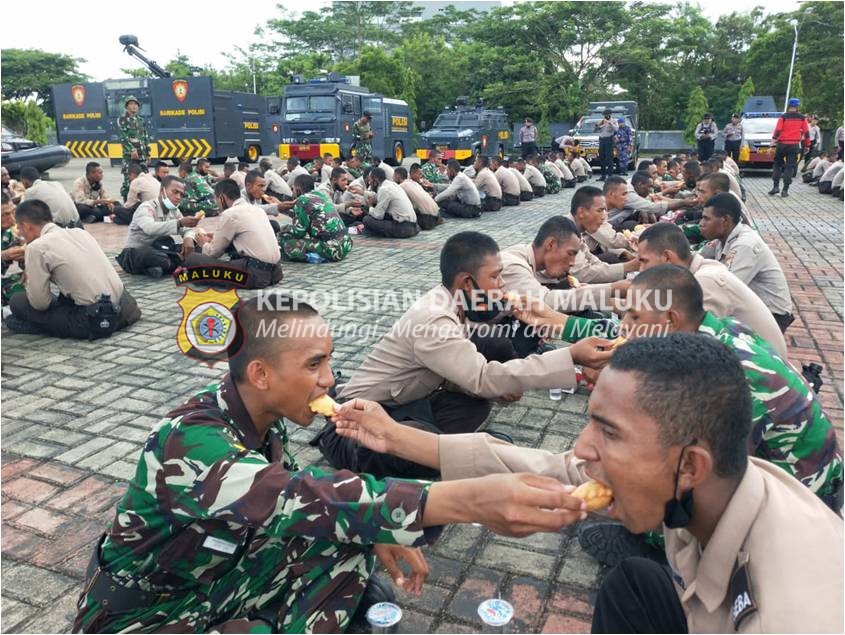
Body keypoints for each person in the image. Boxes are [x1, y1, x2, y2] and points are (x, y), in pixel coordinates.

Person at [73, 294, 588, 634]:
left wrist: (378, 531)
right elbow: (304, 496)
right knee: (343, 536)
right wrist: (470, 499)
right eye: (314, 364)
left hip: (209, 578)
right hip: (146, 615)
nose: (329, 380)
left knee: (349, 546)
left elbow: (310, 493)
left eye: (328, 361)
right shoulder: (191, 442)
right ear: (261, 373)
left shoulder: (254, 414)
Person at [330, 333, 844, 633]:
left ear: (691, 466)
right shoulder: (711, 483)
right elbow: (549, 466)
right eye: (591, 420)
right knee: (635, 582)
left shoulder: (790, 614)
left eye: (609, 432)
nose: (582, 447)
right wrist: (396, 437)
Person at [312, 231, 614, 479]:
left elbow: (475, 363)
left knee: (474, 403)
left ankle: (435, 448)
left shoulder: (457, 301)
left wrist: (532, 316)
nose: (502, 285)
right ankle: (440, 454)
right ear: (467, 283)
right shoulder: (433, 319)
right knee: (418, 440)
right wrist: (570, 356)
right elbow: (482, 377)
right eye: (496, 277)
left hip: (403, 406)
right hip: (354, 428)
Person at [637, 222, 789, 360]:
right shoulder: (698, 273)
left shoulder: (705, 282)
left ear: (667, 257)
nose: (640, 270)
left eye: (644, 261)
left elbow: (685, 345)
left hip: (760, 375)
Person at [4, 199, 141, 338]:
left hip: (94, 320)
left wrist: (30, 265)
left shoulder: (36, 248)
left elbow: (40, 304)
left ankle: (40, 325)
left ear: (26, 226)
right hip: (126, 308)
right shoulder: (79, 232)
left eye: (20, 229)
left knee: (18, 301)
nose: (21, 234)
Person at [699, 193, 794, 331]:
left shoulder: (745, 245)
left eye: (706, 219)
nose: (701, 223)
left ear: (725, 220)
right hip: (754, 308)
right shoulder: (724, 237)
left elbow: (725, 290)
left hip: (771, 316)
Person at [500, 216, 629, 314]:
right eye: (570, 254)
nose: (573, 262)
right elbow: (546, 301)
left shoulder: (534, 258)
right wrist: (613, 288)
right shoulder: (513, 265)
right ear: (550, 244)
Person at [186, 179, 283, 289]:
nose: (217, 204)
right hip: (276, 273)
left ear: (222, 198)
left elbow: (213, 253)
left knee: (192, 259)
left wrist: (204, 244)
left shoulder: (230, 214)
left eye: (216, 199)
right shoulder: (257, 210)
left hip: (254, 276)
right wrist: (215, 237)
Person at [116, 176, 200, 278]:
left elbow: (187, 230)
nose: (178, 197)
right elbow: (150, 228)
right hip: (137, 252)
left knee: (197, 246)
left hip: (161, 249)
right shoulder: (146, 207)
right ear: (162, 191)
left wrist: (188, 238)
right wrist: (179, 223)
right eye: (175, 192)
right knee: (150, 255)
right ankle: (173, 263)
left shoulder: (174, 210)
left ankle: (159, 267)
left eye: (181, 195)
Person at [569, 186, 639, 283]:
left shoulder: (579, 229)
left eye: (605, 210)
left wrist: (628, 262)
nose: (604, 216)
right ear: (581, 212)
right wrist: (629, 266)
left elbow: (594, 261)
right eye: (600, 210)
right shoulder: (565, 233)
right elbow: (582, 274)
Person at [278, 174, 352, 263]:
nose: (292, 192)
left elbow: (299, 232)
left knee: (287, 242)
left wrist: (283, 230)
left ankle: (315, 257)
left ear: (298, 189)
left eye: (292, 189)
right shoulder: (320, 195)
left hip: (332, 248)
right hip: (346, 244)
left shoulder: (302, 200)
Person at [769, 98, 810, 197]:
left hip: (782, 144)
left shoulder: (783, 117)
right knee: (790, 167)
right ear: (797, 106)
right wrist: (807, 145)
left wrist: (773, 140)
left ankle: (775, 187)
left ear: (788, 105)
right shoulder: (802, 118)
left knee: (777, 165)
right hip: (794, 145)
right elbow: (806, 132)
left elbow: (778, 129)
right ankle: (785, 190)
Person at [362, 168, 419, 239]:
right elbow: (378, 197)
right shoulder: (392, 184)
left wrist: (370, 206)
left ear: (375, 179)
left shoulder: (384, 189)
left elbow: (378, 215)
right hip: (414, 225)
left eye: (370, 180)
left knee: (367, 219)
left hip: (404, 228)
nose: (369, 183)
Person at [117, 96, 151, 201]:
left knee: (144, 179)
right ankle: (127, 202)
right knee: (129, 180)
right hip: (130, 156)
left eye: (135, 104)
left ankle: (142, 202)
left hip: (142, 155)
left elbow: (145, 137)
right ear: (126, 106)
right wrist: (132, 150)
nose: (134, 106)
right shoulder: (123, 119)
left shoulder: (140, 120)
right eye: (131, 104)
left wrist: (148, 154)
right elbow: (123, 137)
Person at [1, 193, 25, 305]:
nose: (11, 218)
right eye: (4, 215)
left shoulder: (9, 233)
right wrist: (3, 255)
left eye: (12, 212)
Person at [594, 109, 618, 181]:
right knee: (602, 158)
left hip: (609, 140)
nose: (605, 116)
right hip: (601, 140)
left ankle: (610, 176)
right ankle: (603, 175)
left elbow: (616, 129)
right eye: (604, 115)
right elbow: (595, 130)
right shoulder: (601, 121)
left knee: (609, 158)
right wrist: (598, 125)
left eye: (606, 115)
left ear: (610, 114)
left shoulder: (614, 121)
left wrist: (610, 123)